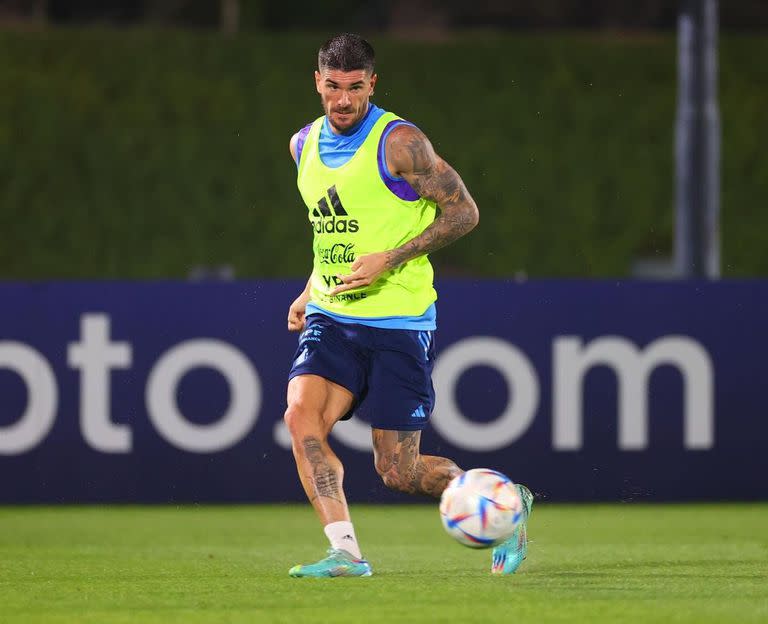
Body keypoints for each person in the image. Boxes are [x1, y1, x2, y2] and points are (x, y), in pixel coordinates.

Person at [284, 33, 532, 578]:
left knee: (398, 470)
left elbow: (464, 213)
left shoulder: (399, 143)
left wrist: (391, 259)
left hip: (398, 324)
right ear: (317, 82)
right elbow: (334, 231)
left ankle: (506, 505)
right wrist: (310, 290)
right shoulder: (302, 146)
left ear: (372, 83)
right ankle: (346, 553)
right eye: (333, 87)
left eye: (354, 88)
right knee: (300, 416)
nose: (343, 100)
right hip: (332, 317)